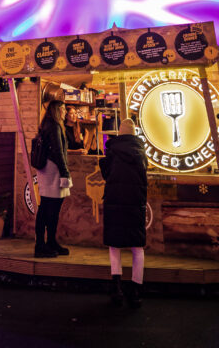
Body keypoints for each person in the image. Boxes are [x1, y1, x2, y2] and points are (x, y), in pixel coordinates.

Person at [99, 118, 148, 308]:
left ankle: (117, 287)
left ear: (120, 132)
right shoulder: (141, 152)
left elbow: (106, 174)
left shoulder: (112, 151)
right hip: (135, 201)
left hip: (115, 200)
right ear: (134, 133)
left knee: (115, 245)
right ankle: (136, 289)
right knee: (137, 246)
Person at [34, 99, 72, 258]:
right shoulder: (54, 126)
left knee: (47, 208)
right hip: (53, 170)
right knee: (49, 208)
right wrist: (65, 172)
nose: (65, 112)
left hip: (47, 169)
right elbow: (58, 151)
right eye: (63, 109)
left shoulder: (47, 124)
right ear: (57, 110)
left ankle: (48, 242)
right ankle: (42, 245)